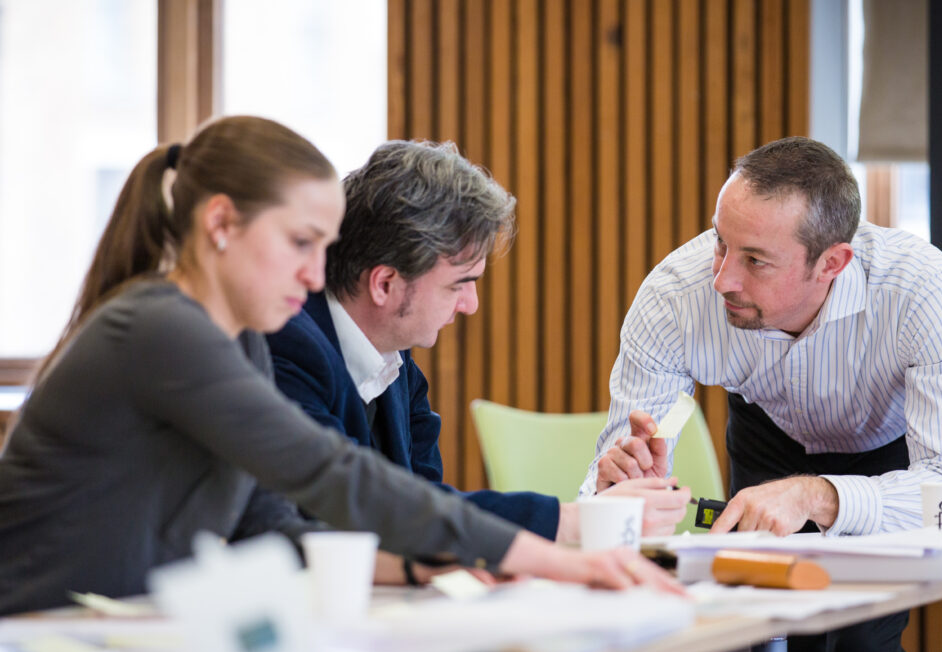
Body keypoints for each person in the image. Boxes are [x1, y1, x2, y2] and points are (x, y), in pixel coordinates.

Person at [0, 116, 684, 617]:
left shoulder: (236, 341)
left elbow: (274, 529)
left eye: (322, 246)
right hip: (40, 640)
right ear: (219, 226)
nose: (314, 271)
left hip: (116, 639)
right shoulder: (161, 325)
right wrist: (555, 556)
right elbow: (331, 472)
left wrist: (429, 565)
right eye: (300, 242)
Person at [580, 136, 942, 652]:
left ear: (832, 263)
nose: (723, 278)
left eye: (755, 260)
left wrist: (817, 493)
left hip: (889, 458)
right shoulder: (676, 295)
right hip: (766, 440)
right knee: (769, 637)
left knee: (861, 650)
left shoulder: (921, 291)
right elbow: (615, 469)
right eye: (721, 243)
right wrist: (619, 490)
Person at [266, 140, 689, 566]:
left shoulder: (396, 361)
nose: (471, 305)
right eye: (459, 283)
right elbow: (340, 517)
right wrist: (576, 521)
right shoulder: (287, 347)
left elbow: (428, 506)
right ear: (384, 284)